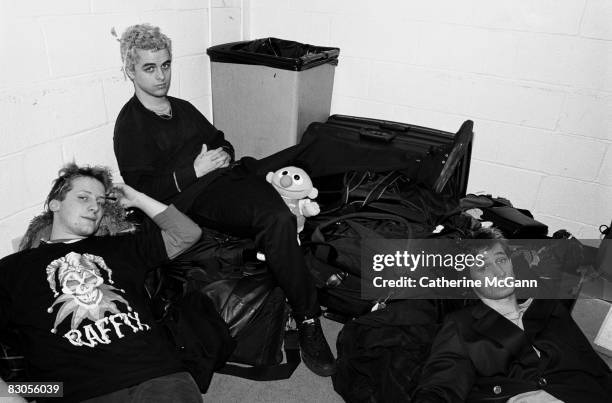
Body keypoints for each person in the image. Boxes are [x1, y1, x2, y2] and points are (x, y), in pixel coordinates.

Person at [112, 23, 335, 376]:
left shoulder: (181, 108)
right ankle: (309, 318)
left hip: (230, 176)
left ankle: (300, 263)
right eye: (149, 68)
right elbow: (142, 189)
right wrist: (194, 171)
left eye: (166, 65)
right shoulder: (130, 124)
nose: (161, 76)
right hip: (197, 197)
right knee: (276, 217)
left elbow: (220, 139)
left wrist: (224, 154)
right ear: (130, 70)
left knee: (307, 152)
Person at [0, 163, 204, 403]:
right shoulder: (13, 268)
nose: (94, 207)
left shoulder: (119, 247)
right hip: (74, 392)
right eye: (83, 197)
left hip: (157, 374)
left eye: (100, 201)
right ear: (55, 204)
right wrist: (14, 396)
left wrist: (137, 198)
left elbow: (187, 233)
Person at [414, 227, 612, 403]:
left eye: (501, 260)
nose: (499, 272)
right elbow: (440, 387)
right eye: (483, 267)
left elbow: (596, 372)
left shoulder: (549, 308)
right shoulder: (461, 325)